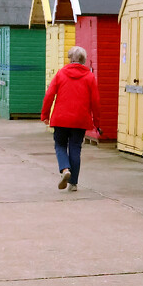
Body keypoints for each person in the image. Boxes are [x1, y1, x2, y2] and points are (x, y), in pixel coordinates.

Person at [41, 46, 101, 192]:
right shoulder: (89, 77)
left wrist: (45, 115)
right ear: (83, 60)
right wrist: (97, 122)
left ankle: (65, 169)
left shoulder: (61, 74)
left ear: (71, 59)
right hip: (80, 120)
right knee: (75, 148)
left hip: (61, 119)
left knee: (60, 145)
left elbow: (49, 95)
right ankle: (73, 183)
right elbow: (96, 101)